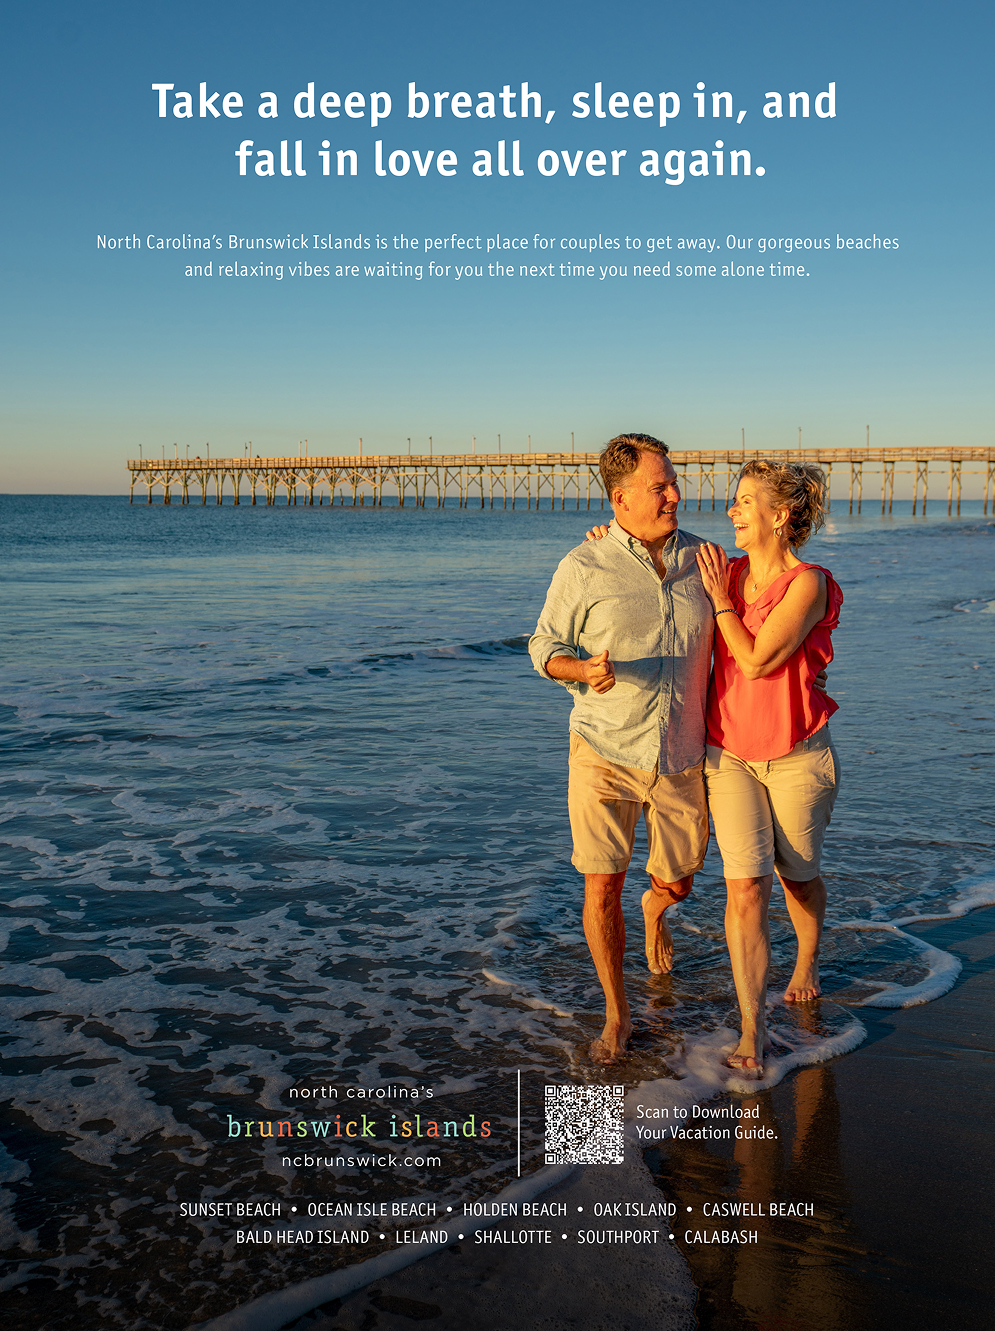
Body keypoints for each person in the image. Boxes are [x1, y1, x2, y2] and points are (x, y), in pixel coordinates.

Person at [528, 434, 714, 1064]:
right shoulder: (584, 566)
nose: (675, 495)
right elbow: (543, 646)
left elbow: (760, 604)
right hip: (602, 750)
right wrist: (581, 670)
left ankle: (655, 910)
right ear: (620, 497)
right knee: (600, 885)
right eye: (660, 486)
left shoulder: (707, 560)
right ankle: (617, 1013)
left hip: (681, 753)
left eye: (674, 482)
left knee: (678, 881)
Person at [695, 460, 842, 1079]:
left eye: (744, 501)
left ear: (779, 516)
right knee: (745, 886)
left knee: (797, 878)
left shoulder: (809, 584)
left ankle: (806, 958)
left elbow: (756, 661)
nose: (731, 510)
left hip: (797, 756)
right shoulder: (724, 571)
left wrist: (721, 605)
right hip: (728, 753)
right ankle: (751, 1025)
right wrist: (606, 535)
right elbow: (652, 558)